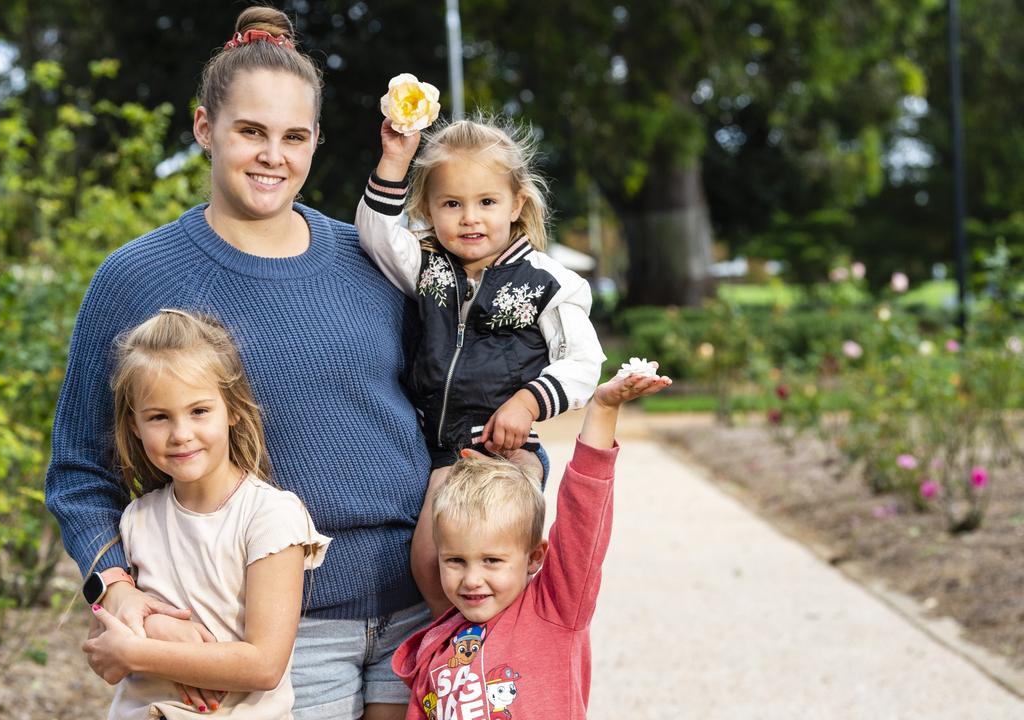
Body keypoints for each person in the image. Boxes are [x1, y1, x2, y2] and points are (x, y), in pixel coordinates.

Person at [45, 7, 432, 718]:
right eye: (250, 131)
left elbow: (449, 401)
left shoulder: (374, 261)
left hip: (420, 616)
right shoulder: (135, 278)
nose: (272, 156)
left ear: (318, 140)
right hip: (273, 635)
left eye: (293, 136)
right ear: (204, 129)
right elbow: (77, 471)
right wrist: (120, 590)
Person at [355, 115, 606, 614]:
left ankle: (503, 666)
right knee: (430, 565)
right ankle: (456, 660)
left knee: (495, 567)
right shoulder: (427, 268)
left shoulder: (549, 282)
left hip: (503, 454)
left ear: (517, 203)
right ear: (427, 207)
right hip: (445, 453)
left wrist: (529, 401)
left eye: (487, 202)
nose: (470, 218)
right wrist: (395, 159)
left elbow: (585, 360)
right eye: (452, 204)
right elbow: (377, 233)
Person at [83, 309, 329, 719]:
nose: (181, 434)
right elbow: (103, 656)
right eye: (159, 417)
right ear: (135, 425)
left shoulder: (270, 516)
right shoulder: (136, 518)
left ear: (231, 409)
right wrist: (156, 632)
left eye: (199, 411)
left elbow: (264, 665)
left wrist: (140, 650)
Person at [391, 362, 673, 718]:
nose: (472, 579)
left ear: (534, 557)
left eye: (491, 560)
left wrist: (602, 409)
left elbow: (582, 518)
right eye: (456, 561)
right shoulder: (438, 649)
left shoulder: (553, 608)